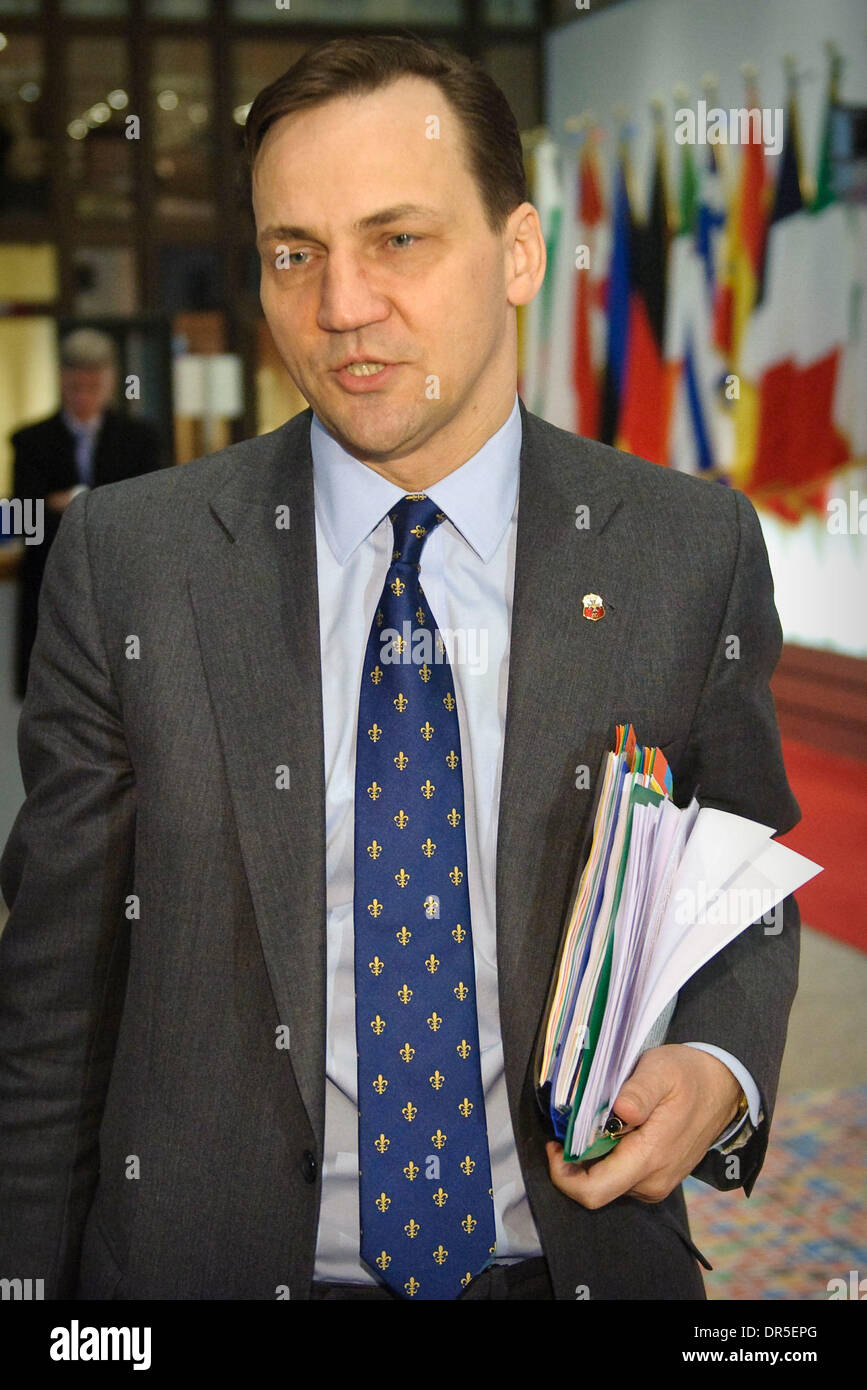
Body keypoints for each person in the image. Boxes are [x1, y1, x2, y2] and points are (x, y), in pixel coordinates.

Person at [0, 35, 800, 1302]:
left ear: (521, 253)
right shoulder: (132, 559)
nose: (342, 306)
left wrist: (719, 1067)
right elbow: (50, 1010)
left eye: (400, 241)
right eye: (294, 253)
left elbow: (741, 868)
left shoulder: (686, 549)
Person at [10, 327, 162, 700]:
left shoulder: (137, 439)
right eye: (76, 387)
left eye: (93, 388)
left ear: (109, 383)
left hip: (120, 587)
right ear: (62, 381)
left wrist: (93, 508)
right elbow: (18, 520)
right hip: (51, 585)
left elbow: (152, 513)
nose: (84, 397)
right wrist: (53, 505)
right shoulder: (31, 441)